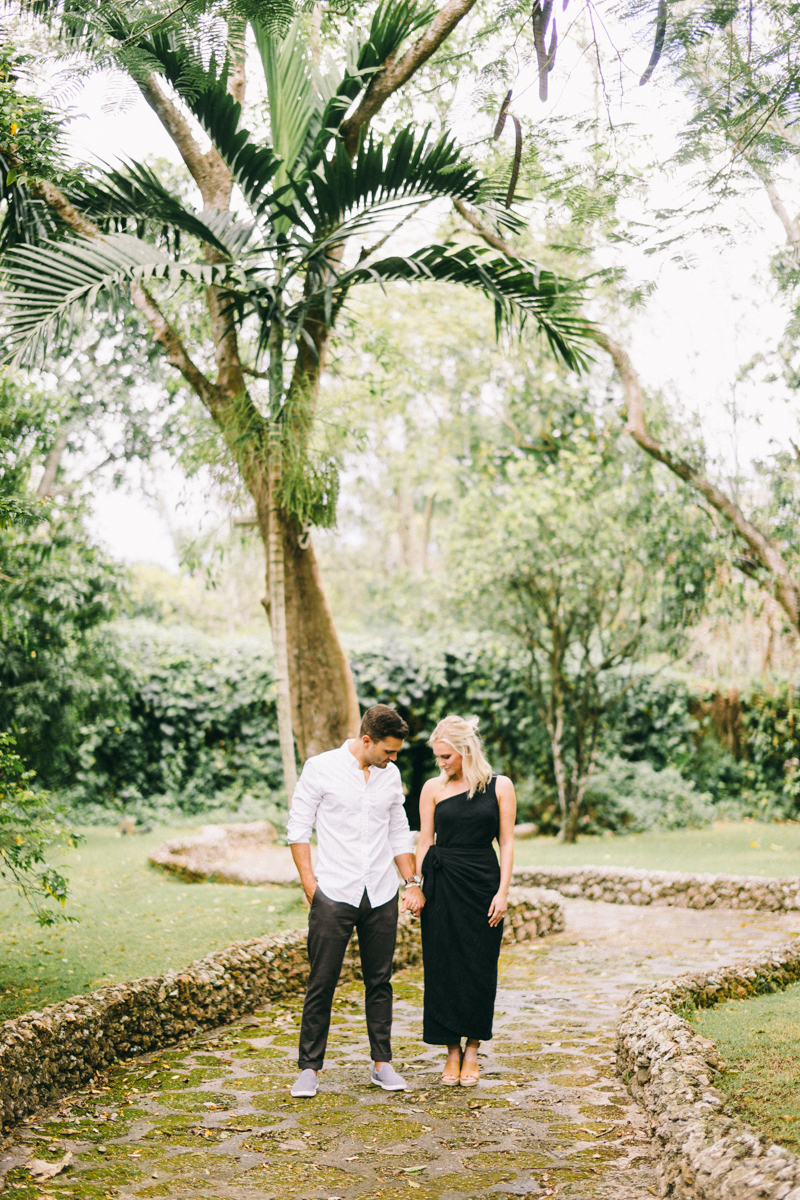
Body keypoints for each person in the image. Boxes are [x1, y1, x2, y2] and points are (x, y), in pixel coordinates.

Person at [286, 704, 425, 1099]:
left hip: (380, 892)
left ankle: (382, 1063)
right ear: (367, 741)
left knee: (379, 981)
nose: (394, 758)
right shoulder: (320, 767)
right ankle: (309, 1069)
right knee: (322, 981)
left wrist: (411, 881)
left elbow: (399, 833)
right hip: (334, 891)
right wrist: (310, 883)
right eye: (389, 751)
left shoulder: (390, 775)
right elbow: (298, 827)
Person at [416, 714, 516, 1087]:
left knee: (479, 965)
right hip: (441, 884)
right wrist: (416, 884)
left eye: (446, 756)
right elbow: (425, 841)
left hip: (482, 884)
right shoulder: (433, 789)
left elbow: (505, 841)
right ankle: (451, 1051)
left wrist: (502, 892)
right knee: (442, 967)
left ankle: (473, 1048)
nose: (441, 763)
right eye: (438, 757)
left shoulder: (500, 786)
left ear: (466, 750)